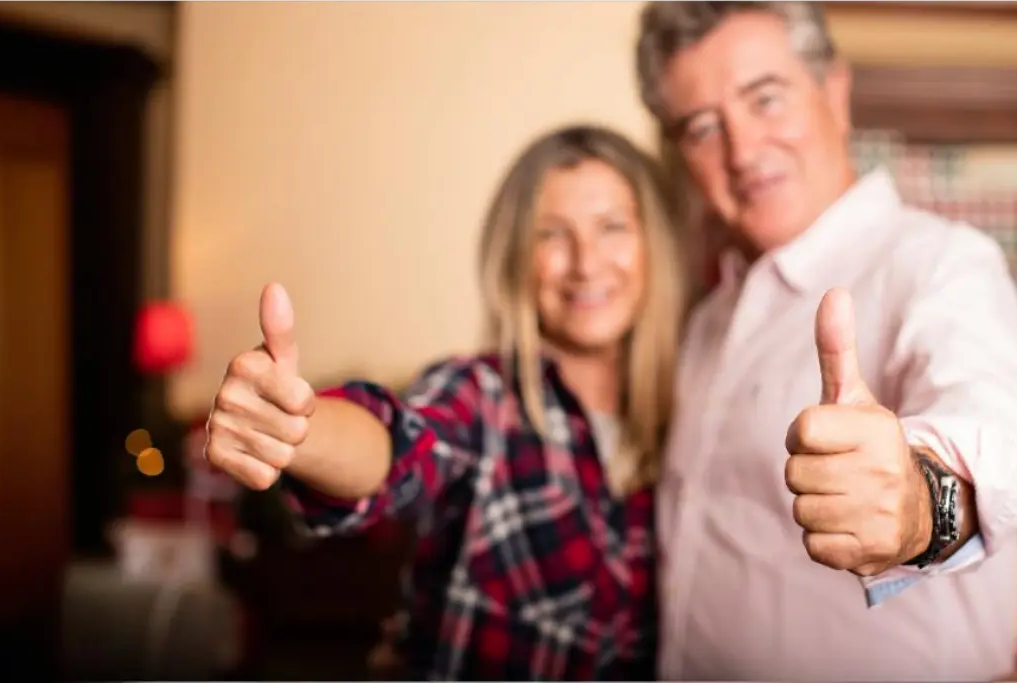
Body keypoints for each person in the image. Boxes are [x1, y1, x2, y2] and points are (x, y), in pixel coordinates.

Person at [635, 1, 1017, 680]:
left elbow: (999, 426)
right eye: (704, 127)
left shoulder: (939, 263)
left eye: (765, 98)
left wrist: (922, 506)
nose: (742, 150)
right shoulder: (706, 317)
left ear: (834, 92)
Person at [201, 124, 688, 680]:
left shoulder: (692, 409)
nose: (585, 261)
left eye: (613, 228)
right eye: (551, 234)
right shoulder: (480, 396)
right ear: (515, 257)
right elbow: (399, 444)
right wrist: (300, 432)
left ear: (656, 243)